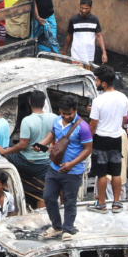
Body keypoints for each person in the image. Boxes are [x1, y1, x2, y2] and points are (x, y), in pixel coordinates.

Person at [41, 95, 92, 238]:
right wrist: (42, 144)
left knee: (70, 201)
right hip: (54, 168)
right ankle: (56, 226)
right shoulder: (57, 121)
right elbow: (52, 134)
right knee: (49, 197)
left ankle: (68, 229)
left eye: (69, 114)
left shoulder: (83, 127)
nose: (66, 117)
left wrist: (72, 164)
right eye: (63, 114)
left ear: (75, 110)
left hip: (73, 172)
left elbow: (88, 149)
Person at [88, 65, 128, 211]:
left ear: (104, 83)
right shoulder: (123, 98)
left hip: (101, 139)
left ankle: (102, 204)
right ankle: (117, 203)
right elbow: (123, 120)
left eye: (97, 80)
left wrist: (88, 140)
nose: (96, 83)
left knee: (102, 173)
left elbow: (93, 124)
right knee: (116, 172)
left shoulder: (98, 101)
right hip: (116, 138)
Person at [66, 0, 105, 65]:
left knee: (87, 72)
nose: (84, 10)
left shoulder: (94, 20)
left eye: (86, 8)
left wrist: (104, 53)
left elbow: (99, 36)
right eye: (82, 8)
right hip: (76, 52)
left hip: (89, 53)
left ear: (90, 7)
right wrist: (64, 51)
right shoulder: (74, 19)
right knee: (76, 72)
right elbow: (69, 36)